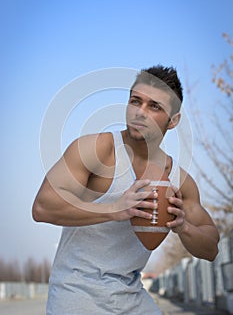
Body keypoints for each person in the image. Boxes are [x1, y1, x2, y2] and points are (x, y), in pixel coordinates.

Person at [32, 65, 219, 315]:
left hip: (131, 296)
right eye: (135, 101)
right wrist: (114, 209)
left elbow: (211, 247)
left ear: (173, 121)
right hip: (77, 295)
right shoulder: (96, 150)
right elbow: (43, 207)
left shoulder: (178, 181)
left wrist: (183, 227)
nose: (140, 113)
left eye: (155, 106)